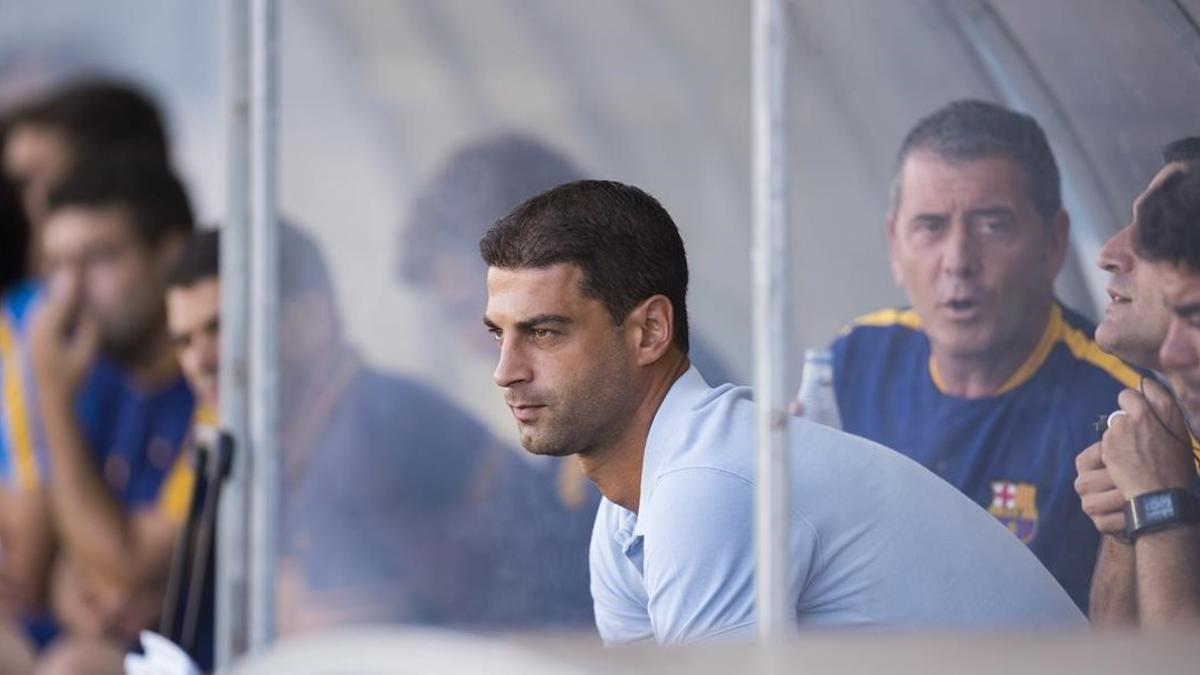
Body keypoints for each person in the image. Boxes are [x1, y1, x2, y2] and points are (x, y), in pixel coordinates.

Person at [480, 179, 1084, 645]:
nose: (508, 369)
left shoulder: (709, 483)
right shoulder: (625, 519)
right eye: (498, 335)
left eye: (545, 332)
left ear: (650, 331)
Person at [829, 100, 1141, 612]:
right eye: (930, 226)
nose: (958, 262)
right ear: (893, 244)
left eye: (993, 225)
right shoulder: (855, 364)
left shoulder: (1123, 401)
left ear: (1054, 244)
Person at [25, 156, 197, 674]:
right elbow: (62, 552)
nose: (71, 293)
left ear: (170, 255)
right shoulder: (98, 370)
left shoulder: (209, 383)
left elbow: (124, 568)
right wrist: (68, 588)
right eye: (56, 266)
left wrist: (50, 397)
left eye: (99, 259)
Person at [1077, 137, 1200, 625]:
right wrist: (1125, 525)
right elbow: (1117, 658)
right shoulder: (1168, 433)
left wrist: (1157, 507)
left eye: (1152, 236)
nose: (1108, 252)